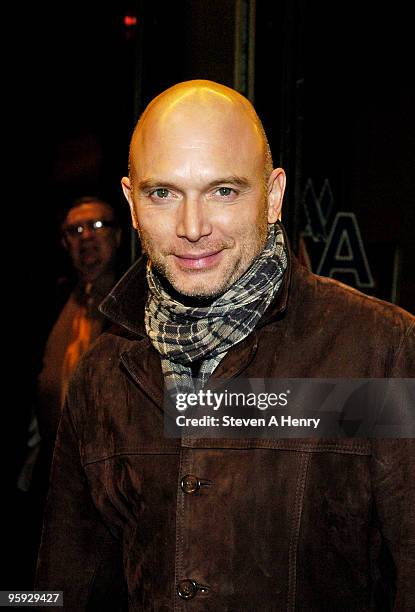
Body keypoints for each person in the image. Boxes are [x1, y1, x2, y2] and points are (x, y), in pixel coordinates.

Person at [35, 81, 414, 610]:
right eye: (163, 193)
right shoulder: (101, 375)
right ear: (133, 203)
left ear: (274, 195)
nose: (192, 228)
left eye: (224, 191)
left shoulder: (377, 349)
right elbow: (64, 586)